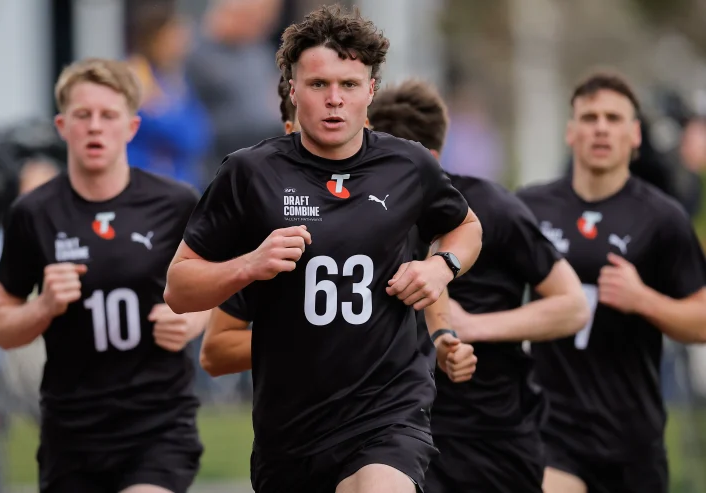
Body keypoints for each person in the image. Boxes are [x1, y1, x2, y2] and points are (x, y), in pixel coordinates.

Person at [164, 6, 483, 493]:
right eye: (318, 85)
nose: (334, 100)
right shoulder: (249, 174)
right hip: (290, 435)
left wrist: (442, 267)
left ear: (371, 91)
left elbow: (466, 226)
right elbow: (179, 289)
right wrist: (251, 264)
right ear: (293, 90)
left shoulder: (408, 166)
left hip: (387, 415)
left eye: (349, 85)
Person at [0, 58, 208, 493]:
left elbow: (218, 289)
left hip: (157, 425)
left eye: (108, 116)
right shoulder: (33, 213)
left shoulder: (175, 203)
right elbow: (0, 325)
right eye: (82, 115)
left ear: (131, 127)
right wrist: (43, 307)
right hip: (72, 434)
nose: (95, 127)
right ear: (61, 125)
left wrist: (190, 321)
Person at [366, 79, 589, 493]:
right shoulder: (363, 218)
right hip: (392, 433)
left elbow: (573, 306)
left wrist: (475, 327)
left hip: (490, 436)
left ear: (432, 159)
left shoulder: (493, 210)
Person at [199, 78, 477, 386]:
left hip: (397, 408)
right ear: (288, 134)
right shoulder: (271, 236)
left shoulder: (404, 206)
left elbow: (433, 263)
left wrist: (442, 335)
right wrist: (314, 341)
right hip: (300, 415)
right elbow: (215, 351)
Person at [517, 72, 706, 493]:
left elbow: (702, 320)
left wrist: (645, 300)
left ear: (635, 134)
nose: (601, 127)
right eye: (589, 117)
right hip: (551, 429)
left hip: (632, 439)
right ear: (571, 131)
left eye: (614, 118)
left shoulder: (663, 218)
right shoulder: (530, 208)